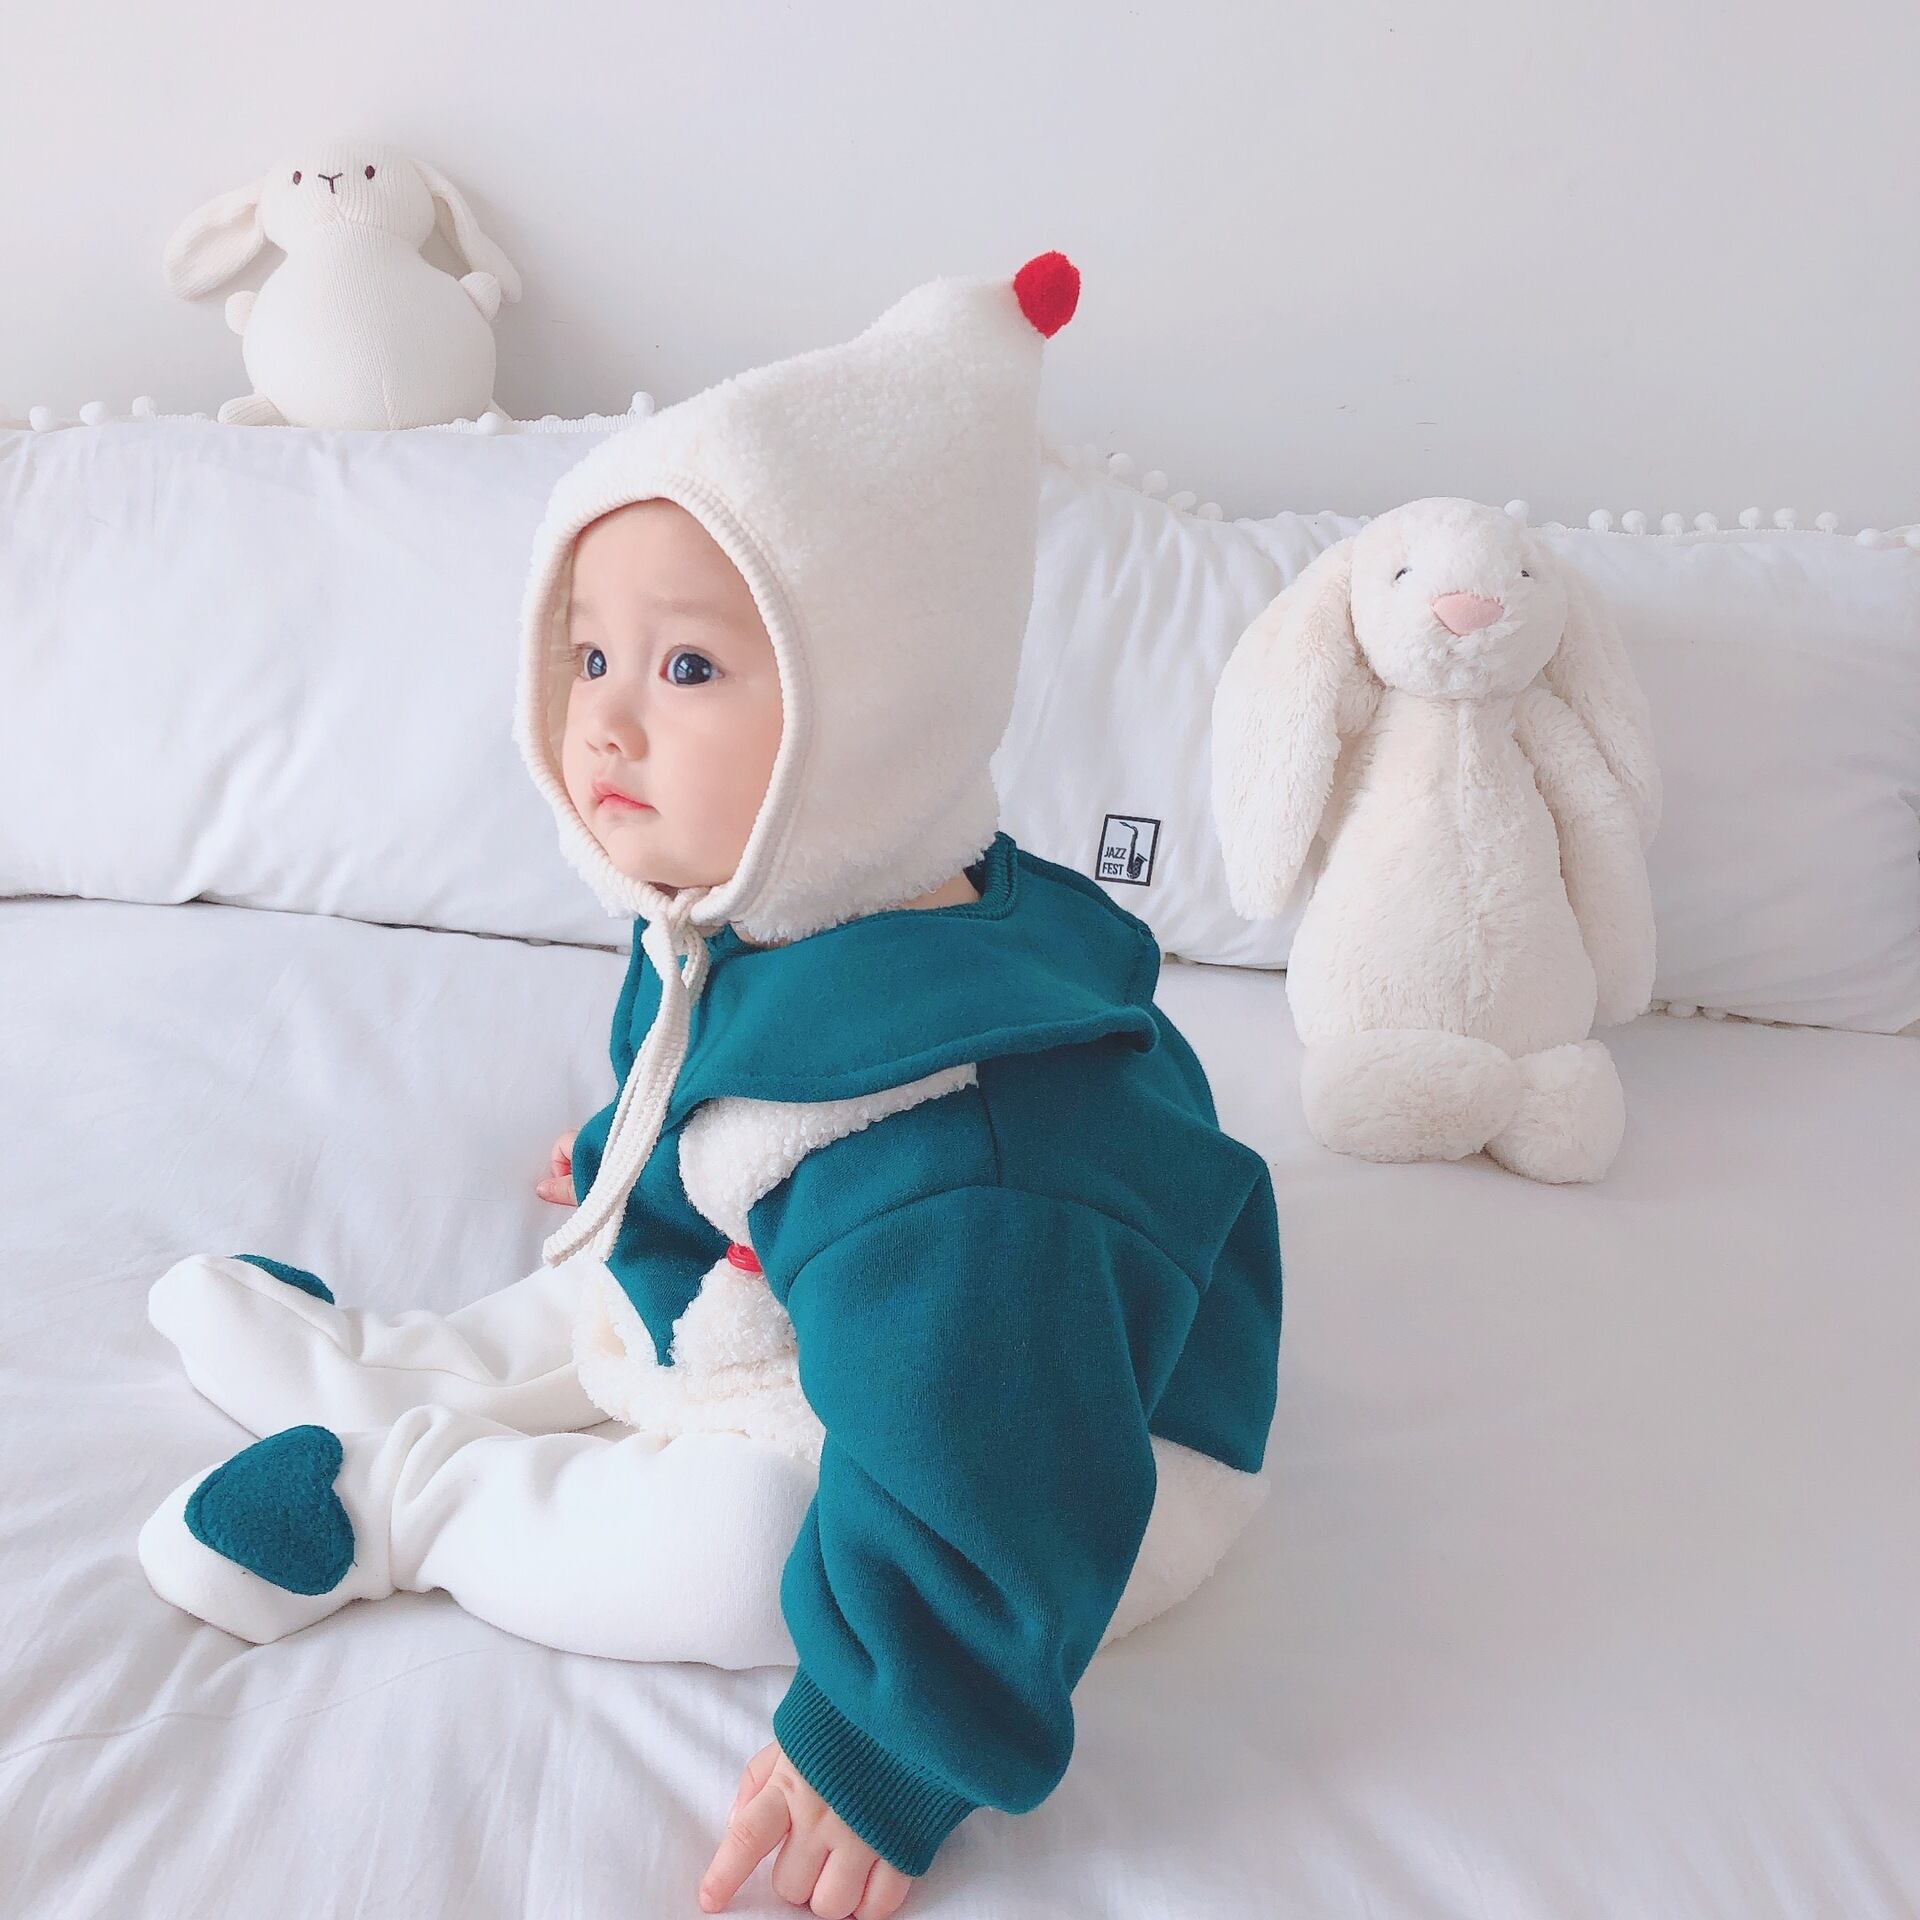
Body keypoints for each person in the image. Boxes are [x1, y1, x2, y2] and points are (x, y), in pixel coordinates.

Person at [138, 254, 1283, 1919]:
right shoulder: (758, 900)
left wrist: (888, 1743)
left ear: (866, 712)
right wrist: (639, 1139)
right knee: (626, 1276)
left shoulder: (960, 1148)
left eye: (683, 670)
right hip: (854, 1307)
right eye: (587, 655)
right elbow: (722, 1049)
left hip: (1075, 1452)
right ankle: (378, 1367)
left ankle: (408, 1503)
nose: (603, 722)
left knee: (739, 1551)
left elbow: (1004, 1484)